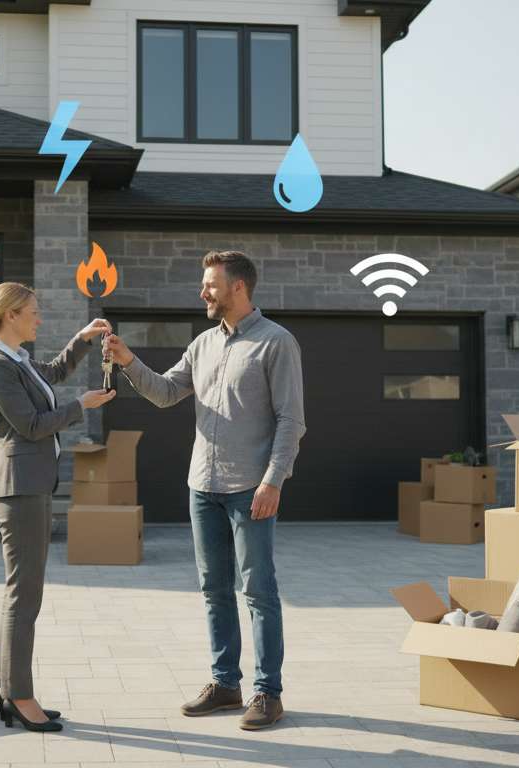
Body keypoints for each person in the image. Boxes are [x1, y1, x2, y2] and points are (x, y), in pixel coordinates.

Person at [102, 250, 304, 731]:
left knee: (259, 591)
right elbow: (166, 392)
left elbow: (291, 420)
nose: (203, 292)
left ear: (238, 288)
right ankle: (225, 684)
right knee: (215, 590)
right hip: (202, 486)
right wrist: (128, 358)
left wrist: (274, 479)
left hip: (250, 488)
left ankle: (268, 693)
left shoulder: (276, 343)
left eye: (210, 284)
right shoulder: (203, 344)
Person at [0, 282, 116, 733]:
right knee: (24, 597)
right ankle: (20, 696)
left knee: (21, 594)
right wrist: (82, 407)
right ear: (10, 315)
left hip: (32, 487)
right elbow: (32, 426)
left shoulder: (15, 359)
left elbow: (51, 373)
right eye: (33, 311)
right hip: (19, 491)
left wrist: (83, 340)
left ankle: (9, 688)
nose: (39, 319)